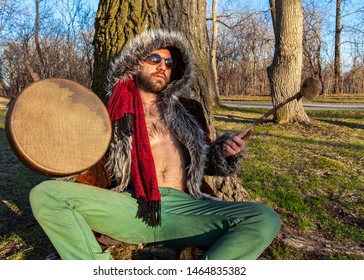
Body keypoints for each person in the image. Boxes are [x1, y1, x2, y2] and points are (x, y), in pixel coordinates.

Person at [30, 29, 280, 260]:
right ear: (135, 62)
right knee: (45, 194)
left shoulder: (189, 110)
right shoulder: (109, 112)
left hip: (188, 208)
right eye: (154, 59)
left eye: (169, 63)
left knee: (264, 218)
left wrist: (225, 152)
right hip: (132, 206)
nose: (163, 66)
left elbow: (206, 164)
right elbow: (89, 165)